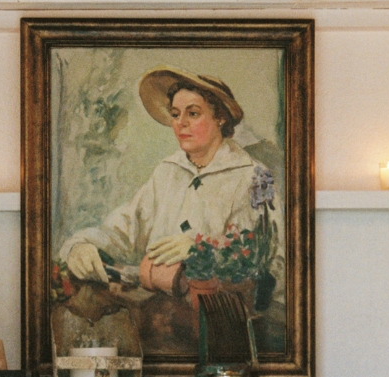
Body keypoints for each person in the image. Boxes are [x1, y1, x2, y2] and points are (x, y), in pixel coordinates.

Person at [57, 67, 284, 356]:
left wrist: (200, 251)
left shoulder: (254, 176)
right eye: (175, 114)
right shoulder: (168, 172)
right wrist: (82, 245)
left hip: (221, 335)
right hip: (156, 327)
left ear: (220, 117)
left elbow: (270, 262)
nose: (180, 124)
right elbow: (124, 227)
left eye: (193, 113)